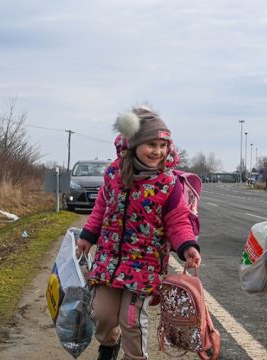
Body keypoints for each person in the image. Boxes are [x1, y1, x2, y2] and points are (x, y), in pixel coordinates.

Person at [77, 105, 202, 360]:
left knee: (131, 321)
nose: (158, 151)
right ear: (133, 144)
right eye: (151, 144)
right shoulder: (113, 174)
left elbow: (178, 221)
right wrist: (88, 236)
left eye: (162, 145)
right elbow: (102, 207)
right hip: (108, 260)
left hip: (144, 266)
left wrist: (187, 245)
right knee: (102, 314)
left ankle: (134, 357)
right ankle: (109, 344)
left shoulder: (168, 185)